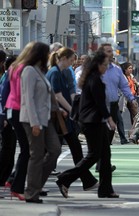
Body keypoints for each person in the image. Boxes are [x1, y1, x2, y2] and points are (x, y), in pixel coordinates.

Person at [56, 50, 119, 199]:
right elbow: (99, 104)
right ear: (97, 65)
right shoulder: (94, 79)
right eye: (104, 65)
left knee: (105, 155)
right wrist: (109, 118)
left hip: (95, 121)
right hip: (92, 121)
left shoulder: (92, 77)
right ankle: (65, 178)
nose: (106, 67)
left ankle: (105, 189)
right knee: (93, 155)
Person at [46, 47, 98, 191]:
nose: (72, 64)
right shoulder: (55, 73)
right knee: (58, 150)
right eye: (71, 60)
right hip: (57, 116)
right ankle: (17, 179)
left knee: (74, 147)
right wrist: (72, 110)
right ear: (63, 58)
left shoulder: (59, 72)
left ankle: (86, 180)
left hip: (62, 115)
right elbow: (57, 96)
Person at [19, 42, 62, 203]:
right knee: (36, 155)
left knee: (55, 150)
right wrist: (34, 123)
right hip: (33, 119)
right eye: (46, 53)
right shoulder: (29, 71)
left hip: (46, 118)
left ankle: (36, 184)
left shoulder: (39, 71)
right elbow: (28, 99)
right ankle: (31, 192)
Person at [4, 42, 36, 201]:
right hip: (19, 110)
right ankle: (17, 185)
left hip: (13, 109)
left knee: (26, 149)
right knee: (27, 150)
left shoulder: (14, 67)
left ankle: (16, 183)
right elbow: (26, 93)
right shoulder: (25, 69)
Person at [100, 43, 138, 146]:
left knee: (112, 128)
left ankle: (105, 155)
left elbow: (124, 86)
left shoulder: (117, 70)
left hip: (113, 104)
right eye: (107, 51)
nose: (110, 53)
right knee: (101, 129)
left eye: (111, 51)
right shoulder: (94, 68)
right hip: (98, 104)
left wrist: (132, 99)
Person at [0, 55, 17, 187]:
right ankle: (4, 176)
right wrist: (5, 115)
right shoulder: (7, 77)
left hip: (7, 115)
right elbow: (5, 96)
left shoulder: (7, 76)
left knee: (10, 147)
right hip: (6, 115)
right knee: (7, 147)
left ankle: (6, 176)